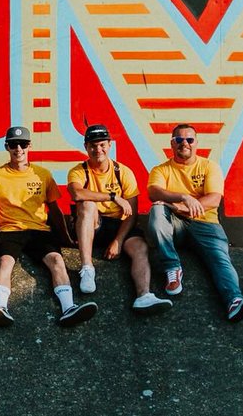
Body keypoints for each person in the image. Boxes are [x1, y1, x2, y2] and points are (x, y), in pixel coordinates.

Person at [0, 126, 97, 328]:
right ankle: (1, 307)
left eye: (23, 144)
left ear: (30, 146)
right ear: (6, 147)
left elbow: (54, 210)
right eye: (13, 144)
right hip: (9, 230)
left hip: (39, 230)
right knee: (5, 262)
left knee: (56, 260)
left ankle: (68, 308)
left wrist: (66, 238)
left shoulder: (42, 174)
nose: (19, 149)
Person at [146, 124, 243, 322]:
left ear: (196, 143)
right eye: (179, 140)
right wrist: (184, 197)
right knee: (156, 209)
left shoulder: (209, 166)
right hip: (175, 226)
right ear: (172, 144)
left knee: (219, 259)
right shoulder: (161, 170)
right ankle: (173, 268)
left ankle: (234, 301)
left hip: (206, 225)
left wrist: (181, 206)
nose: (185, 144)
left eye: (189, 140)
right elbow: (154, 192)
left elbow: (214, 199)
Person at [66, 124, 171, 315]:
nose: (98, 149)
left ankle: (144, 295)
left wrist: (118, 240)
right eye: (93, 145)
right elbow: (76, 193)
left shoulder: (123, 172)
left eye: (102, 145)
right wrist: (113, 197)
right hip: (93, 224)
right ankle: (87, 269)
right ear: (86, 147)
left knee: (140, 247)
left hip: (119, 225)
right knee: (87, 205)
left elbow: (132, 212)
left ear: (110, 145)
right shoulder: (79, 171)